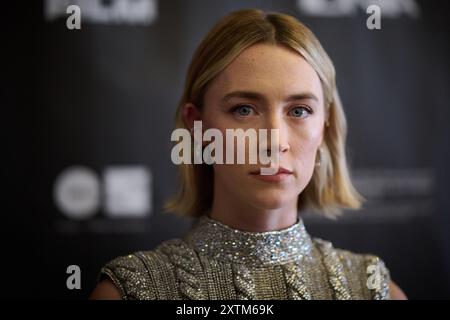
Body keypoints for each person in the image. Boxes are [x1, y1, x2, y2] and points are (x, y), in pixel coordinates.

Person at [90, 8, 406, 300]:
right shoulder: (132, 292)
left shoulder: (373, 289)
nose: (274, 141)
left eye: (299, 110)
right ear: (198, 126)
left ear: (324, 126)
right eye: (244, 109)